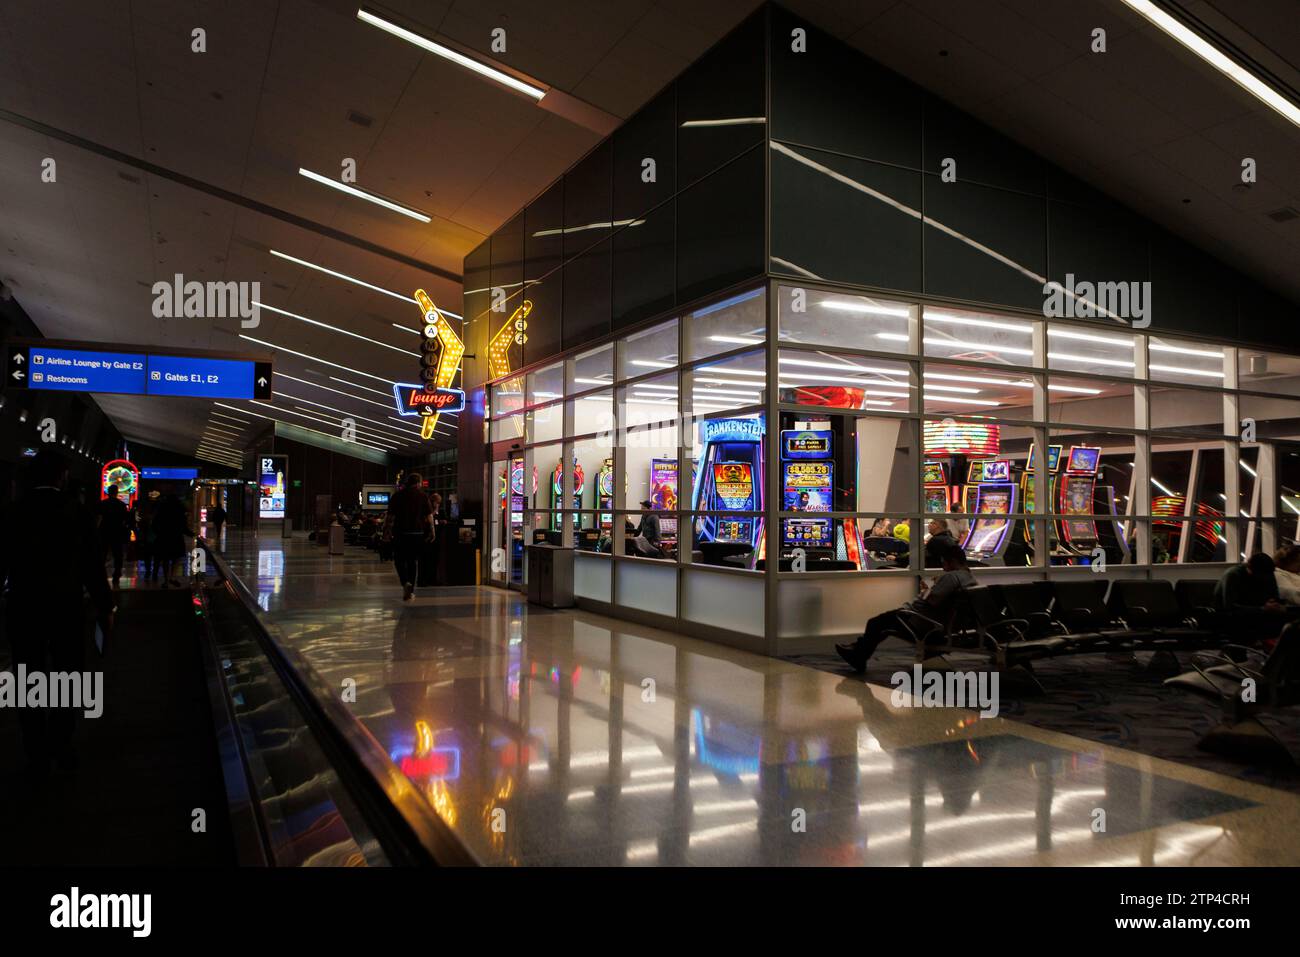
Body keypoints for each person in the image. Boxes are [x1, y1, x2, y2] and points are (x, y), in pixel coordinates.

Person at [0, 449, 114, 776]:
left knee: (27, 672)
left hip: (23, 606)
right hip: (65, 606)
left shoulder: (12, 512)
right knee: (68, 670)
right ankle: (61, 741)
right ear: (62, 476)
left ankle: (34, 746)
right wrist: (105, 606)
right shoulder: (76, 512)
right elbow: (93, 567)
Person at [836, 543, 976, 673]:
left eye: (944, 561)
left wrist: (927, 590)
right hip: (933, 622)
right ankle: (857, 651)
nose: (942, 565)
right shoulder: (969, 577)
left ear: (952, 561)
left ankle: (858, 655)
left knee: (875, 623)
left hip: (918, 620)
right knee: (883, 626)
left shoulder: (951, 577)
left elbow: (932, 600)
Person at [1215, 552, 1292, 643]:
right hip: (1230, 615)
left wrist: (1277, 604)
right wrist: (1262, 608)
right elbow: (1229, 607)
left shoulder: (1267, 573)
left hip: (1256, 610)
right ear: (1250, 568)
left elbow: (1273, 595)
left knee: (1290, 620)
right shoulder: (1233, 575)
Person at [386, 473, 432, 601]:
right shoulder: (423, 496)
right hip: (417, 534)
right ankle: (410, 589)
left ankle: (405, 582)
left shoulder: (397, 496)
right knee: (412, 561)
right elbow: (429, 516)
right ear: (418, 483)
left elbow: (390, 517)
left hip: (400, 533)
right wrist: (432, 532)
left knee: (399, 560)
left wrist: (386, 532)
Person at [96, 484, 133, 587]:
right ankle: (116, 575)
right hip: (117, 532)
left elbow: (99, 518)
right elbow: (126, 520)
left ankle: (101, 575)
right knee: (118, 555)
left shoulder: (103, 504)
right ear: (117, 492)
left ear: (108, 492)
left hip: (104, 532)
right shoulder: (121, 505)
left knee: (102, 554)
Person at [152, 492, 191, 587]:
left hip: (164, 537)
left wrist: (158, 533)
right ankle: (172, 577)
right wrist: (191, 534)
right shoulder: (179, 510)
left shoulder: (162, 510)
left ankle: (166, 580)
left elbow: (155, 523)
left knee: (165, 559)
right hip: (176, 537)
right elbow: (183, 526)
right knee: (176, 558)